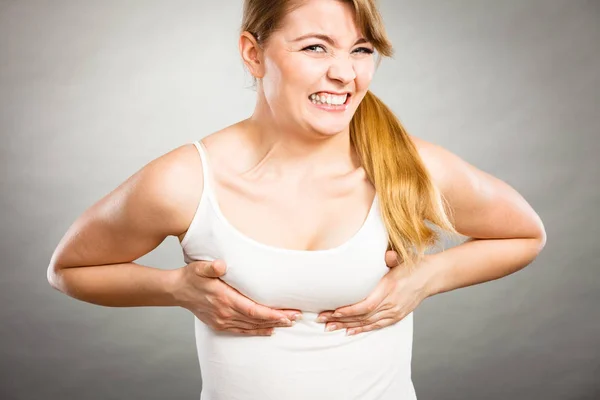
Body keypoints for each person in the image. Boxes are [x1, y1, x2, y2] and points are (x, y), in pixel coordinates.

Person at [47, 0, 547, 399]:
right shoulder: (187, 180)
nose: (345, 74)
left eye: (361, 49)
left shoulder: (408, 165)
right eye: (315, 48)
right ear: (253, 53)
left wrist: (427, 277)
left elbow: (525, 233)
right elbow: (68, 270)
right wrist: (177, 288)